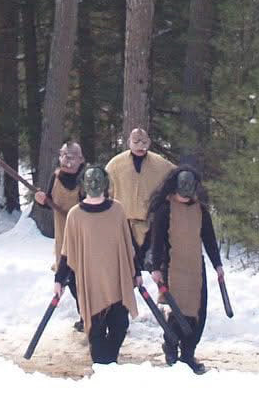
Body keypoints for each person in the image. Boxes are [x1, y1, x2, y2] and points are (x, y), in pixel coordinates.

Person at [53, 165, 141, 365]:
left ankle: (109, 363)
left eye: (98, 180)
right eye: (89, 180)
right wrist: (59, 279)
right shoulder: (75, 214)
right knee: (96, 330)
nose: (94, 184)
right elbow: (67, 251)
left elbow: (129, 244)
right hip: (91, 284)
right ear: (83, 185)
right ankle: (103, 367)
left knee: (120, 326)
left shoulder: (117, 210)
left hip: (117, 281)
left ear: (105, 184)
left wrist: (136, 271)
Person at [148, 167, 224, 374]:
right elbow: (157, 241)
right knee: (177, 314)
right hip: (173, 268)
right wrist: (156, 268)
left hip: (195, 269)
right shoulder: (165, 209)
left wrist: (217, 264)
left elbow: (209, 239)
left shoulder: (200, 210)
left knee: (198, 314)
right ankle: (171, 348)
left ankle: (188, 354)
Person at [35, 141, 86, 331]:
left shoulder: (86, 178)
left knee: (85, 280)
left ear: (81, 159)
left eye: (71, 156)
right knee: (70, 280)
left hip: (84, 238)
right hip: (64, 238)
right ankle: (84, 316)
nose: (67, 160)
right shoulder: (55, 177)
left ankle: (92, 316)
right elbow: (49, 202)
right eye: (64, 155)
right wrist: (41, 201)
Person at [105, 128, 175, 262]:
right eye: (136, 142)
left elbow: (177, 175)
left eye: (144, 142)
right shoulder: (114, 165)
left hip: (151, 223)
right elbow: (104, 192)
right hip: (123, 223)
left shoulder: (160, 164)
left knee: (154, 265)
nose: (140, 146)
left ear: (149, 142)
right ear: (129, 142)